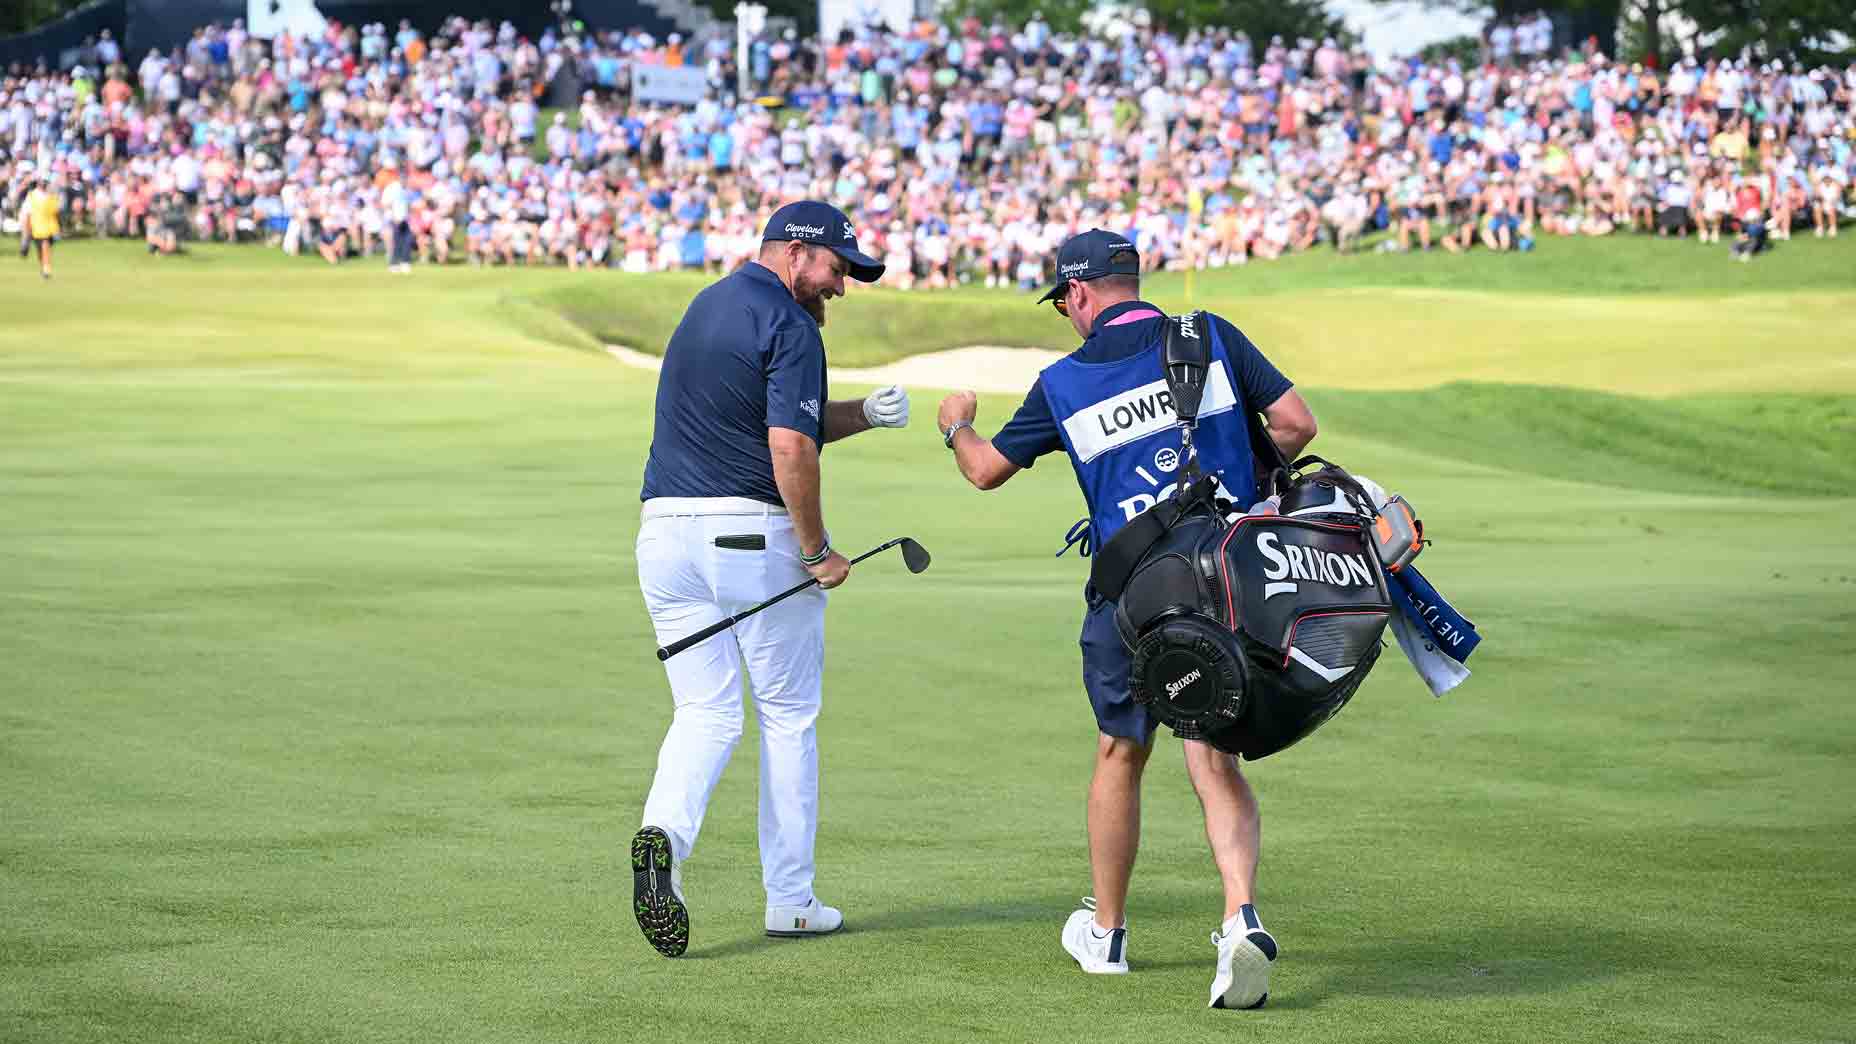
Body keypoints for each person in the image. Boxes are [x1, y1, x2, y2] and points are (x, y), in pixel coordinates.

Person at [932, 230, 1318, 1009]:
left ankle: (1106, 936)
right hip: (1228, 581)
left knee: (1120, 752)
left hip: (1132, 596)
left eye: (1063, 304)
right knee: (1212, 758)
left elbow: (983, 472)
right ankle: (1240, 919)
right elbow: (1297, 424)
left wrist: (956, 423)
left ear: (1077, 295)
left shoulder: (1063, 380)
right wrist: (1241, 475)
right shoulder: (1209, 334)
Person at [630, 201, 910, 958]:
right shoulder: (790, 325)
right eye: (837, 268)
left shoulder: (706, 305)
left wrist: (865, 415)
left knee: (706, 711)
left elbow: (765, 418)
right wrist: (817, 550)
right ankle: (790, 900)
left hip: (664, 540)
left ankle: (663, 837)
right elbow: (789, 447)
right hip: (751, 538)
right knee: (787, 716)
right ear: (794, 253)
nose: (843, 286)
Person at [21, 175, 60, 279]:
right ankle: (44, 268)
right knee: (41, 250)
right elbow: (27, 213)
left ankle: (46, 268)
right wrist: (27, 229)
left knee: (46, 246)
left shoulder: (51, 195)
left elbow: (56, 211)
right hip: (37, 226)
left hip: (50, 226)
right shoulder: (32, 196)